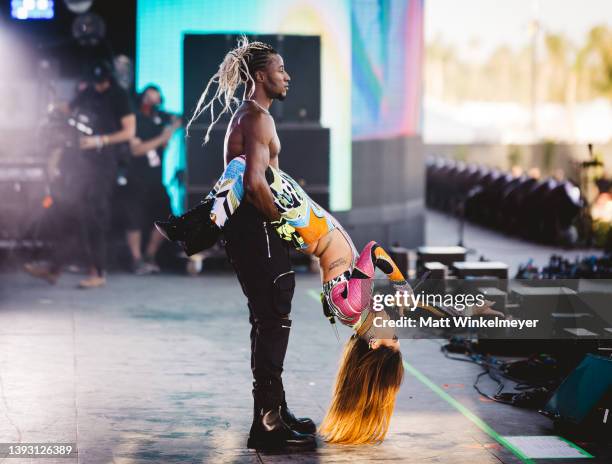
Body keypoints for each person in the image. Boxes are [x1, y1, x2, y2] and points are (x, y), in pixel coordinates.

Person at [158, 154, 408, 445]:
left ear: (375, 342)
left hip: (308, 223)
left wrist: (400, 282)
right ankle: (197, 227)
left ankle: (199, 229)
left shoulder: (354, 306)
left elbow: (373, 251)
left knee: (246, 166)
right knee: (246, 167)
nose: (392, 324)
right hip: (311, 224)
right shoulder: (354, 310)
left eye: (393, 335)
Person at [184, 37, 316, 451]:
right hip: (255, 227)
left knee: (268, 316)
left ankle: (274, 408)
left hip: (249, 229)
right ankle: (267, 424)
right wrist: (287, 228)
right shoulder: (257, 118)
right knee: (274, 312)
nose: (287, 76)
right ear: (261, 76)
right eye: (280, 70)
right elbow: (256, 182)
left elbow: (265, 178)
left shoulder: (252, 115)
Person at [25, 60, 136, 288]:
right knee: (70, 213)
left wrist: (101, 140)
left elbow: (129, 132)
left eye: (102, 81)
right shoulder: (88, 93)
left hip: (104, 165)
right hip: (81, 165)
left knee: (94, 216)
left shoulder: (119, 96)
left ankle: (98, 272)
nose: (99, 86)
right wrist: (54, 104)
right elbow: (68, 109)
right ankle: (54, 268)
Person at [124, 85, 181, 274]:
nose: (153, 101)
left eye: (156, 98)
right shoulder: (135, 119)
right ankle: (136, 260)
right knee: (134, 220)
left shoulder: (160, 117)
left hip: (156, 179)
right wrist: (161, 139)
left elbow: (178, 119)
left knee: (167, 218)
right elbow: (136, 150)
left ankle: (149, 255)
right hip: (136, 178)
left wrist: (171, 129)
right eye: (150, 96)